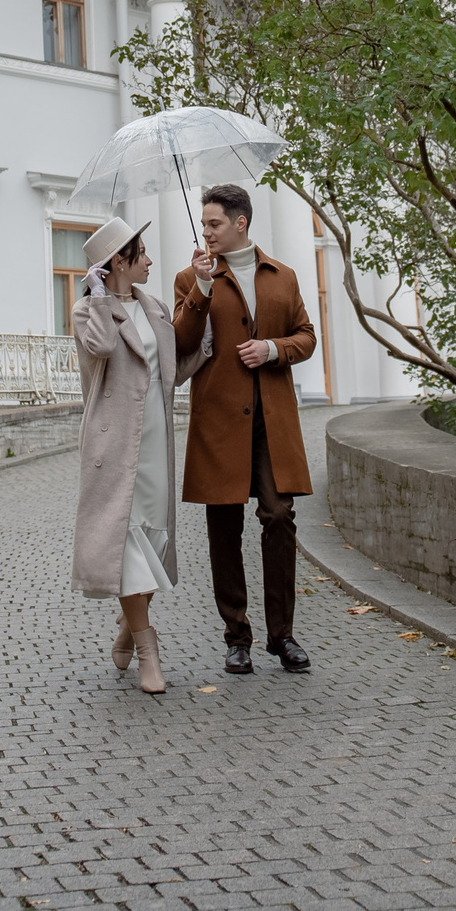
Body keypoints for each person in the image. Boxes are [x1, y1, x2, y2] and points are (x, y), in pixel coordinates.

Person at [172, 182, 318, 673]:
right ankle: (237, 637)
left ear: (240, 223)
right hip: (218, 421)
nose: (206, 231)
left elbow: (306, 336)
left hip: (272, 421)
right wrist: (202, 286)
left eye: (214, 223)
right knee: (223, 528)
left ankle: (284, 636)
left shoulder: (283, 276)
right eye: (204, 223)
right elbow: (181, 342)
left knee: (279, 516)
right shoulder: (189, 278)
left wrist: (273, 350)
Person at [68, 216, 181, 695]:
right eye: (142, 254)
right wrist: (98, 297)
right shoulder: (86, 311)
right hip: (115, 440)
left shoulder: (154, 307)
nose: (151, 260)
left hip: (156, 433)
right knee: (126, 539)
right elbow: (102, 347)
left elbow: (174, 366)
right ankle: (148, 651)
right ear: (119, 260)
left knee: (153, 541)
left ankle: (127, 626)